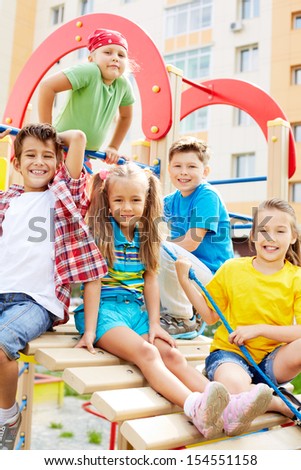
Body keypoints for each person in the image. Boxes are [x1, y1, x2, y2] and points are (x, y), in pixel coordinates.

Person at [74, 162, 272, 439]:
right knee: (148, 354)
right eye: (118, 200)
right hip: (105, 313)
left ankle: (227, 408)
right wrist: (91, 331)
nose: (126, 207)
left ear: (146, 201)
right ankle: (194, 408)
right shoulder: (102, 233)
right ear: (107, 201)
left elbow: (150, 280)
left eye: (134, 200)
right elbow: (92, 283)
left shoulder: (147, 234)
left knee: (171, 354)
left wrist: (155, 324)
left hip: (136, 313)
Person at [0, 124, 107, 450]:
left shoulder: (62, 195)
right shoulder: (7, 199)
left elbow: (78, 138)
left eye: (47, 156)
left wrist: (38, 135)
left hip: (36, 302)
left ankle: (8, 416)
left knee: (1, 345)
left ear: (59, 163)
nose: (39, 161)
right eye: (30, 155)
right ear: (16, 163)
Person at [175, 198, 301, 424]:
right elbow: (209, 315)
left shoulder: (296, 278)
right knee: (233, 386)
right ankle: (278, 402)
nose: (270, 238)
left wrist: (259, 330)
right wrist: (184, 281)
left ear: (292, 237)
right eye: (263, 230)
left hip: (273, 362)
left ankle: (254, 393)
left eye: (280, 231)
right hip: (231, 355)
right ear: (252, 235)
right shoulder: (232, 269)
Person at [160, 136, 234, 338]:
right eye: (177, 166)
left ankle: (181, 317)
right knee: (142, 246)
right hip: (191, 269)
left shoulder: (207, 195)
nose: (183, 172)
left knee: (161, 249)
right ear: (169, 169)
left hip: (214, 275)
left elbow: (191, 243)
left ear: (205, 172)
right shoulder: (171, 200)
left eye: (191, 166)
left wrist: (156, 244)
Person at [38, 28, 135, 163]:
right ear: (91, 59)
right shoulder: (90, 71)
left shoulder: (123, 84)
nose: (115, 57)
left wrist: (113, 146)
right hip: (59, 147)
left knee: (80, 183)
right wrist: (46, 131)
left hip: (85, 155)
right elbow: (47, 86)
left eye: (121, 55)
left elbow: (126, 116)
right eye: (108, 52)